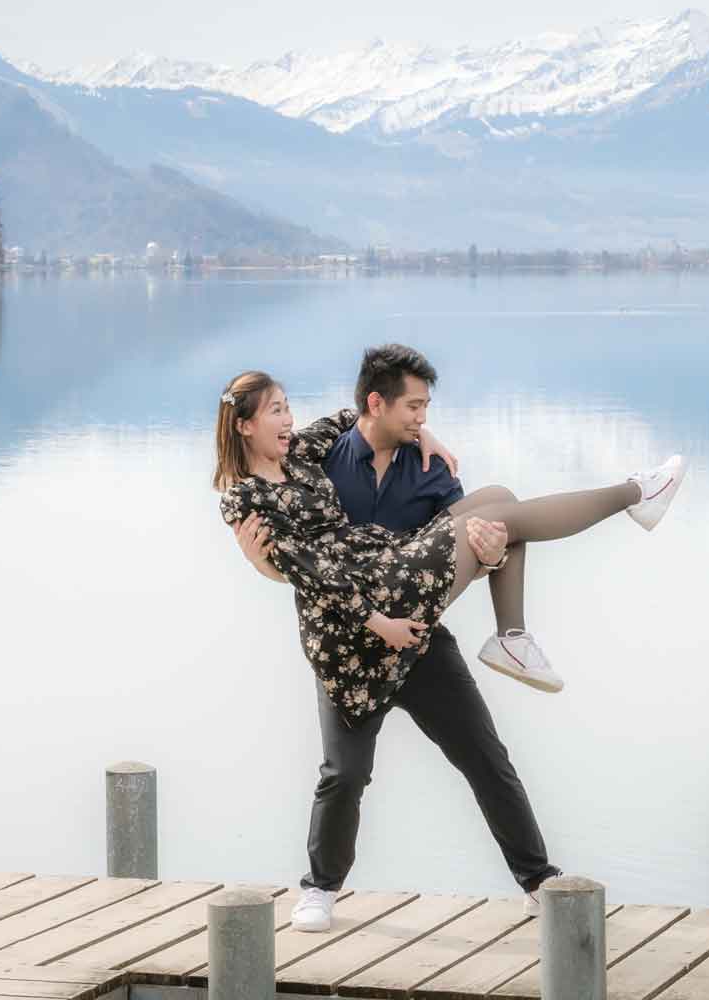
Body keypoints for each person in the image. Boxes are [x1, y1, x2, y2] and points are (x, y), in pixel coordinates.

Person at [213, 348, 684, 930]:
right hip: (351, 637)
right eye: (276, 411)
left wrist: (478, 541)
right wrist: (357, 612)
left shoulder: (325, 454)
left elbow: (349, 424)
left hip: (412, 620)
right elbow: (307, 569)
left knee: (485, 752)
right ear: (244, 424)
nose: (288, 420)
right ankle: (320, 888)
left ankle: (538, 878)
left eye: (288, 408)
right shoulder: (261, 490)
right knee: (345, 773)